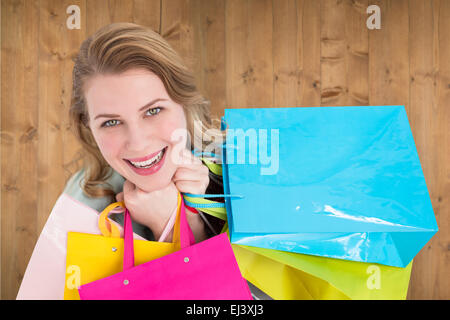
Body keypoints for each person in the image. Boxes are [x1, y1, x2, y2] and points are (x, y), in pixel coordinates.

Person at [64, 22, 225, 242]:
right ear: (89, 127)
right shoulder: (84, 203)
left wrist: (183, 224)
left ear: (184, 103)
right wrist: (170, 225)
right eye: (111, 122)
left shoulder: (245, 175)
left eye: (153, 110)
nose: (138, 143)